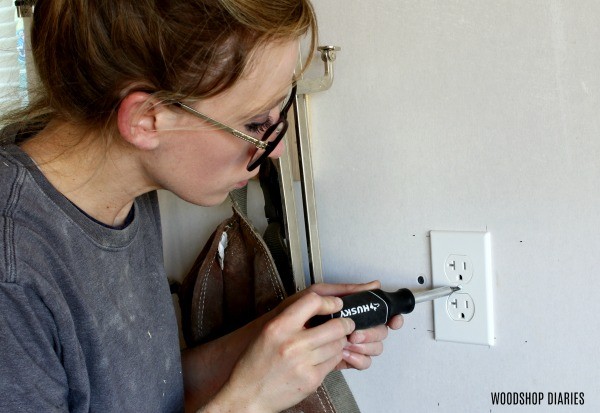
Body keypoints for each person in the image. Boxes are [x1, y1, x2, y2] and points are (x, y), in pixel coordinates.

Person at [0, 0, 404, 412]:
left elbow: (145, 393)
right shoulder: (13, 273)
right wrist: (249, 401)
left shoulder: (123, 190)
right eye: (254, 124)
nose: (276, 149)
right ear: (146, 119)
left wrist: (280, 339)